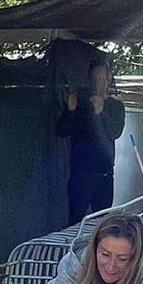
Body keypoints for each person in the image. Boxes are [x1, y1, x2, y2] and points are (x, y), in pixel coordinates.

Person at [55, 59, 126, 224]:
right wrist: (69, 110)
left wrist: (101, 112)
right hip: (80, 175)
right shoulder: (81, 104)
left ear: (108, 79)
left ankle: (98, 250)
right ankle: (75, 250)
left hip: (104, 175)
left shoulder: (115, 106)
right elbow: (62, 131)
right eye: (94, 78)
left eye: (101, 78)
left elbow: (115, 132)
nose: (97, 83)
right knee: (75, 221)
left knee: (102, 223)